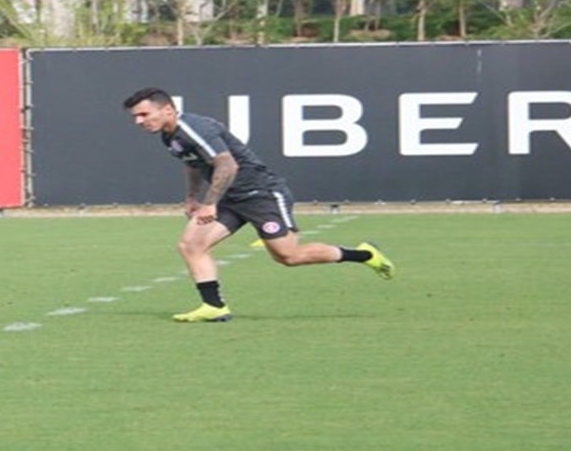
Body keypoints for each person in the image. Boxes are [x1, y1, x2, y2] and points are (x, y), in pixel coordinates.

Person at [122, 87, 395, 322]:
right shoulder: (169, 135)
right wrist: (192, 197)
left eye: (144, 114)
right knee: (191, 245)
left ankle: (365, 255)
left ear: (168, 109)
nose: (138, 120)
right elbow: (192, 163)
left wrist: (210, 203)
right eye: (135, 116)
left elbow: (227, 164)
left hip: (260, 193)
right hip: (230, 198)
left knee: (288, 257)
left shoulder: (193, 128)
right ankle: (214, 307)